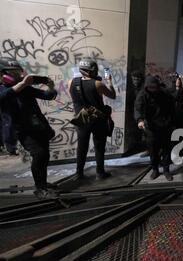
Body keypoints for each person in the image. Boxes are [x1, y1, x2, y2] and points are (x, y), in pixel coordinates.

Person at [0, 58, 57, 199]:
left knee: (44, 155)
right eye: (13, 73)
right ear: (3, 74)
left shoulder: (25, 88)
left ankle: (42, 182)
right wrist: (22, 84)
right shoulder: (3, 89)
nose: (17, 75)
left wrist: (50, 86)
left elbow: (47, 96)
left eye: (18, 72)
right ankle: (40, 189)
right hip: (23, 130)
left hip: (38, 127)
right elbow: (6, 95)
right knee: (39, 154)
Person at [69, 57, 117, 181]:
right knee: (99, 146)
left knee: (82, 147)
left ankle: (79, 173)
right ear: (92, 71)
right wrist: (110, 82)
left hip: (82, 119)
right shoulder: (98, 84)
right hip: (97, 120)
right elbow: (112, 95)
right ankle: (100, 173)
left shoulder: (71, 82)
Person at [135, 75, 177, 181]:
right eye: (151, 88)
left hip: (165, 125)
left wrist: (173, 122)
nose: (153, 90)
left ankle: (166, 170)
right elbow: (138, 107)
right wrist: (140, 119)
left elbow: (172, 107)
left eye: (155, 87)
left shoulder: (164, 93)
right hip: (151, 127)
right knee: (153, 150)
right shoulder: (143, 94)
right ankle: (155, 169)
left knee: (166, 150)